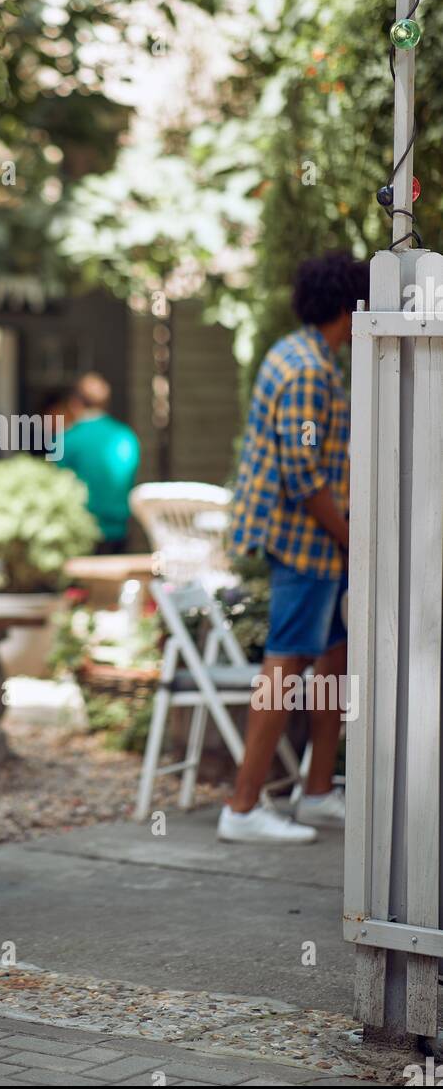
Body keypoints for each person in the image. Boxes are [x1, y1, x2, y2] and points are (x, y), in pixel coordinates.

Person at [220, 252, 369, 845]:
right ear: (349, 305)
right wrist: (352, 538)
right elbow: (303, 475)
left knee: (334, 659)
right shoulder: (308, 370)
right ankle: (242, 807)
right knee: (284, 666)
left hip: (315, 545)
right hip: (303, 544)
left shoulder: (305, 354)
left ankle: (315, 792)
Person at [54, 372, 141, 554]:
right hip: (120, 530)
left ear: (75, 402)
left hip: (82, 533)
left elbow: (56, 485)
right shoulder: (127, 437)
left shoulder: (67, 439)